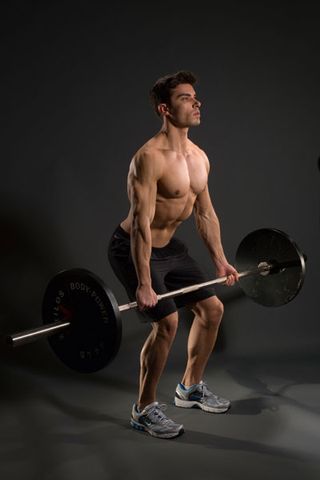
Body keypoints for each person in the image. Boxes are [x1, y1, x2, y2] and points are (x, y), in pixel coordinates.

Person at [108, 70, 239, 439]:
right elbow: (142, 225)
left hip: (170, 249)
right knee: (167, 324)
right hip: (133, 247)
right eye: (185, 98)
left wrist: (220, 260)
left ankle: (189, 388)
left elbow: (205, 213)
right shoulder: (149, 158)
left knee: (212, 309)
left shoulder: (199, 157)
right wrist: (145, 284)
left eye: (195, 96)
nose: (196, 103)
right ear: (165, 109)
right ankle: (144, 408)